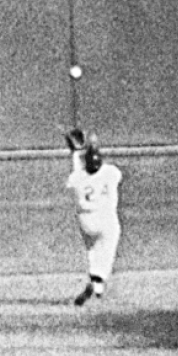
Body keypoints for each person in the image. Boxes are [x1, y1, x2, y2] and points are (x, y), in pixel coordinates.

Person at [65, 129, 123, 307]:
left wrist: (76, 153)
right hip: (105, 217)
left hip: (85, 220)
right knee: (108, 246)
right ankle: (98, 280)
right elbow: (113, 174)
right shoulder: (110, 172)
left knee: (92, 249)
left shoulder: (78, 177)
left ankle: (96, 286)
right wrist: (92, 146)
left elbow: (78, 173)